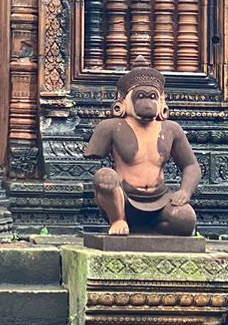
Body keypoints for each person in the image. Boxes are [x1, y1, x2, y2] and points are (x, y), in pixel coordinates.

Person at [86, 60, 200, 235]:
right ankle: (118, 220)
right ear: (123, 101)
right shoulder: (111, 127)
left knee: (186, 219)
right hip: (122, 199)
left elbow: (191, 165)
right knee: (104, 176)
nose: (147, 103)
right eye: (141, 96)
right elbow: (94, 162)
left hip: (160, 199)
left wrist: (185, 191)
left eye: (152, 97)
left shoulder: (171, 129)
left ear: (161, 100)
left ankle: (149, 229)